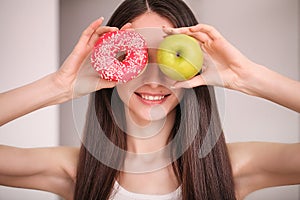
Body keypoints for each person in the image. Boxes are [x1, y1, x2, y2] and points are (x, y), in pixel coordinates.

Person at [0, 0, 299, 200]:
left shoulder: (233, 168)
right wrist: (58, 86)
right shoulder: (72, 171)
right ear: (112, 66)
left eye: (170, 58)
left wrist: (249, 77)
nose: (154, 79)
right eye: (136, 58)